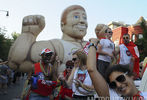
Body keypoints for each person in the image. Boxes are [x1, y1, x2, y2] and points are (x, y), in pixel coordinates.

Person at [8, 5, 88, 73]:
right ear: (62, 25)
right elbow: (16, 61)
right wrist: (29, 34)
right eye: (76, 16)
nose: (82, 21)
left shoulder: (91, 44)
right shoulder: (57, 45)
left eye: (84, 18)